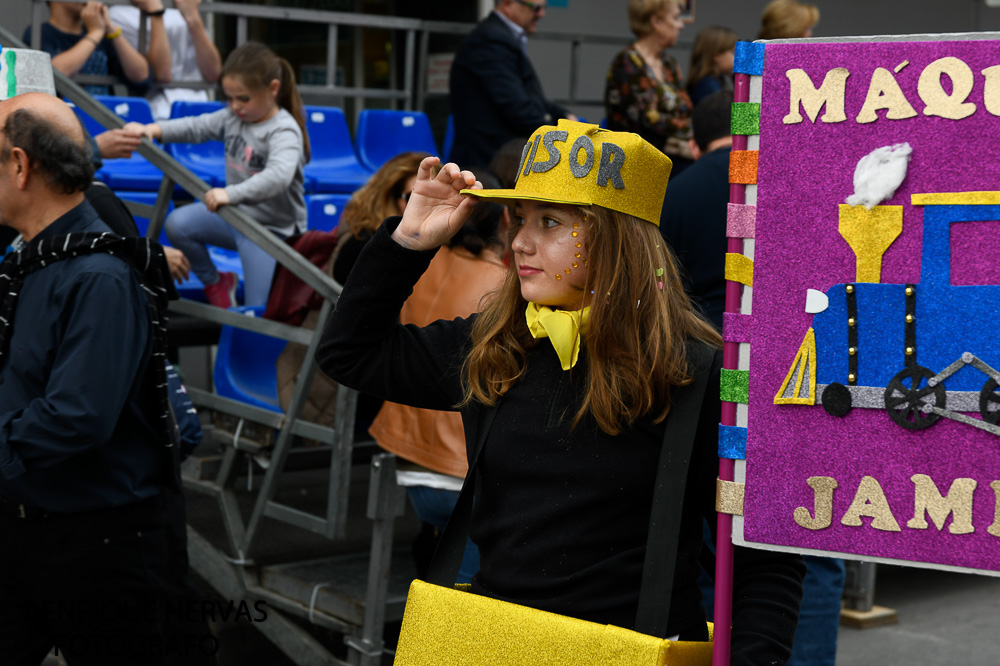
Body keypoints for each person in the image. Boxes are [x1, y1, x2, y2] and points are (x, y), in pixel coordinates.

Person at [316, 119, 805, 662]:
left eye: (550, 222)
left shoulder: (700, 373)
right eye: (520, 219)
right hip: (494, 646)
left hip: (635, 652)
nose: (520, 241)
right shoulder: (495, 347)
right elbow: (348, 354)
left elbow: (765, 561)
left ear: (616, 242)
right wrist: (407, 242)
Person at [0, 92, 178, 664]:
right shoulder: (29, 259)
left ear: (21, 166)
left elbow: (77, 416)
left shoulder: (98, 273)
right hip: (30, 527)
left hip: (98, 548)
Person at [369, 170, 508, 583]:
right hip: (463, 476)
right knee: (464, 615)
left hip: (407, 459)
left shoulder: (418, 268)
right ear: (502, 221)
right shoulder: (507, 289)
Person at [125, 41, 309, 308]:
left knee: (259, 309)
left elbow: (278, 176)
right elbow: (196, 126)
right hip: (237, 219)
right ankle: (216, 281)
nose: (235, 106)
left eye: (243, 98)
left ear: (273, 89)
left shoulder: (283, 130)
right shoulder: (233, 118)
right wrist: (153, 130)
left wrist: (230, 194)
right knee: (178, 224)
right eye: (229, 98)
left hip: (270, 233)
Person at [448, 0, 576, 168]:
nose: (541, 14)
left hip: (499, 160)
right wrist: (560, 131)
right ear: (508, 4)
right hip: (487, 166)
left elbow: (529, 97)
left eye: (544, 8)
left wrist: (563, 115)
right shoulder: (490, 39)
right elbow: (517, 107)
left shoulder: (501, 36)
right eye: (536, 8)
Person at [25, 1, 153, 161]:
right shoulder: (39, 33)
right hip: (63, 132)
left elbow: (141, 75)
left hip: (107, 125)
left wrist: (110, 28)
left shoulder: (104, 36)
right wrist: (95, 33)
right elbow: (54, 73)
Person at [659, 90, 733, 329]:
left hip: (705, 337)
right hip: (778, 337)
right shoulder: (785, 186)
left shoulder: (671, 194)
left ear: (693, 147)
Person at [604, 0, 694, 173]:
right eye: (676, 18)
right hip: (636, 166)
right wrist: (695, 138)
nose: (681, 25)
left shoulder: (669, 63)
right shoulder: (627, 62)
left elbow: (686, 109)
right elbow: (648, 119)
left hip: (675, 159)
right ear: (656, 22)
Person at [110, 0, 224, 120]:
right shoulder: (119, 13)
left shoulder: (181, 5)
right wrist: (156, 13)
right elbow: (162, 75)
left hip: (201, 108)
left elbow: (214, 73)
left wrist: (193, 18)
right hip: (159, 112)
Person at [686, 26, 737, 107]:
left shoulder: (713, 81)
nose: (738, 57)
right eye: (733, 52)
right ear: (716, 54)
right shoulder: (708, 86)